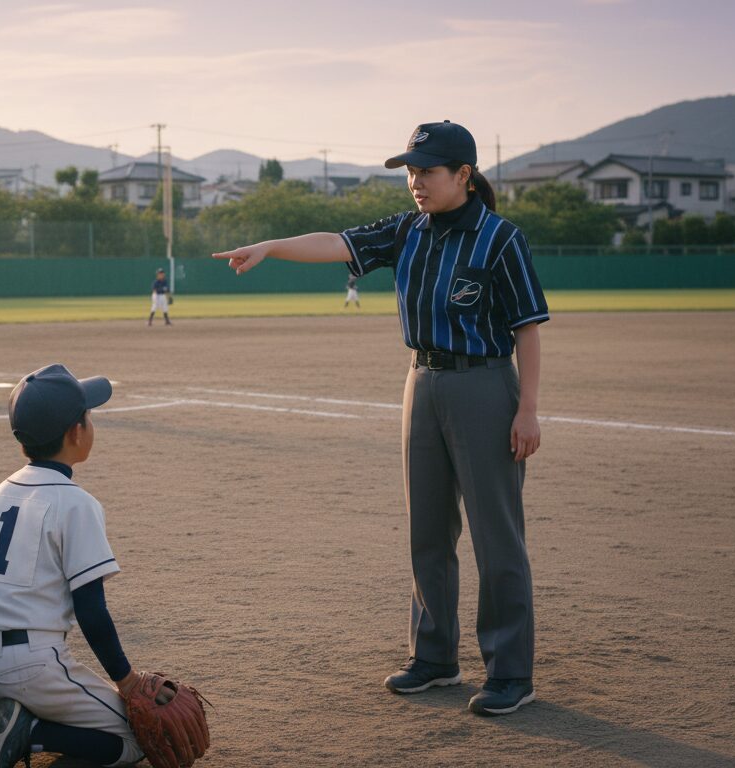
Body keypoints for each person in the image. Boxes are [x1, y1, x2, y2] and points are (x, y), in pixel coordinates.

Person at [213, 121, 548, 716]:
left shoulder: (500, 238)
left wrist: (527, 410)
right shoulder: (405, 231)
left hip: (484, 384)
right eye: (411, 171)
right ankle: (435, 657)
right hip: (422, 383)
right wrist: (270, 247)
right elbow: (335, 243)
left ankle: (510, 672)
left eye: (428, 170)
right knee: (428, 529)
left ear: (464, 175)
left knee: (496, 536)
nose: (416, 181)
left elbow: (527, 328)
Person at [0, 364, 147, 768]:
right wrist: (127, 680)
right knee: (135, 738)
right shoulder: (76, 503)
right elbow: (91, 609)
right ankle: (28, 733)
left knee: (45, 696)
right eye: (88, 415)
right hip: (30, 665)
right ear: (76, 432)